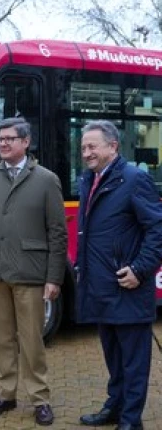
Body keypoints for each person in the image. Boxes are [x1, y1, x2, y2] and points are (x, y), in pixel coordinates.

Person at [0, 116, 67, 426]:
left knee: (32, 339)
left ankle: (40, 398)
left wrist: (54, 277)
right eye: (0, 139)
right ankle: (6, 394)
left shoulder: (46, 179)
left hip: (30, 272)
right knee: (1, 338)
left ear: (26, 142)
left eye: (10, 138)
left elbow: (57, 233)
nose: (4, 144)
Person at [77, 120, 162, 430]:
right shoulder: (90, 179)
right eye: (83, 147)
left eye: (92, 146)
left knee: (134, 363)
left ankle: (131, 420)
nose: (86, 152)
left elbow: (158, 230)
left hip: (128, 288)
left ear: (113, 147)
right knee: (114, 359)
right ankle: (115, 407)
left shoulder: (135, 179)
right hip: (102, 288)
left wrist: (140, 269)